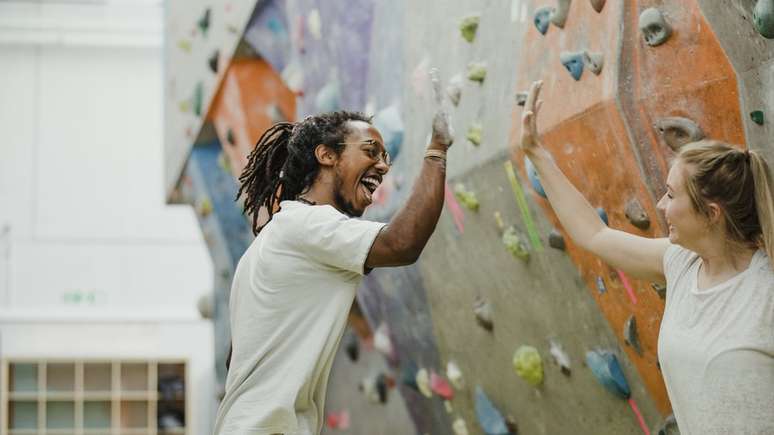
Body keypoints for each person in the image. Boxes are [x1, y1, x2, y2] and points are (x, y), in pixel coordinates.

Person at [519, 81, 774, 434]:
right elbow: (594, 234)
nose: (660, 205)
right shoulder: (681, 263)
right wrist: (538, 154)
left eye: (671, 195)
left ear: (712, 213)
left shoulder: (765, 291)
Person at [213, 109, 453, 435]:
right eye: (370, 152)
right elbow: (401, 243)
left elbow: (236, 358)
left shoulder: (273, 239)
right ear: (326, 155)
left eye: (385, 158)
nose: (382, 166)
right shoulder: (307, 225)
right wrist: (437, 151)